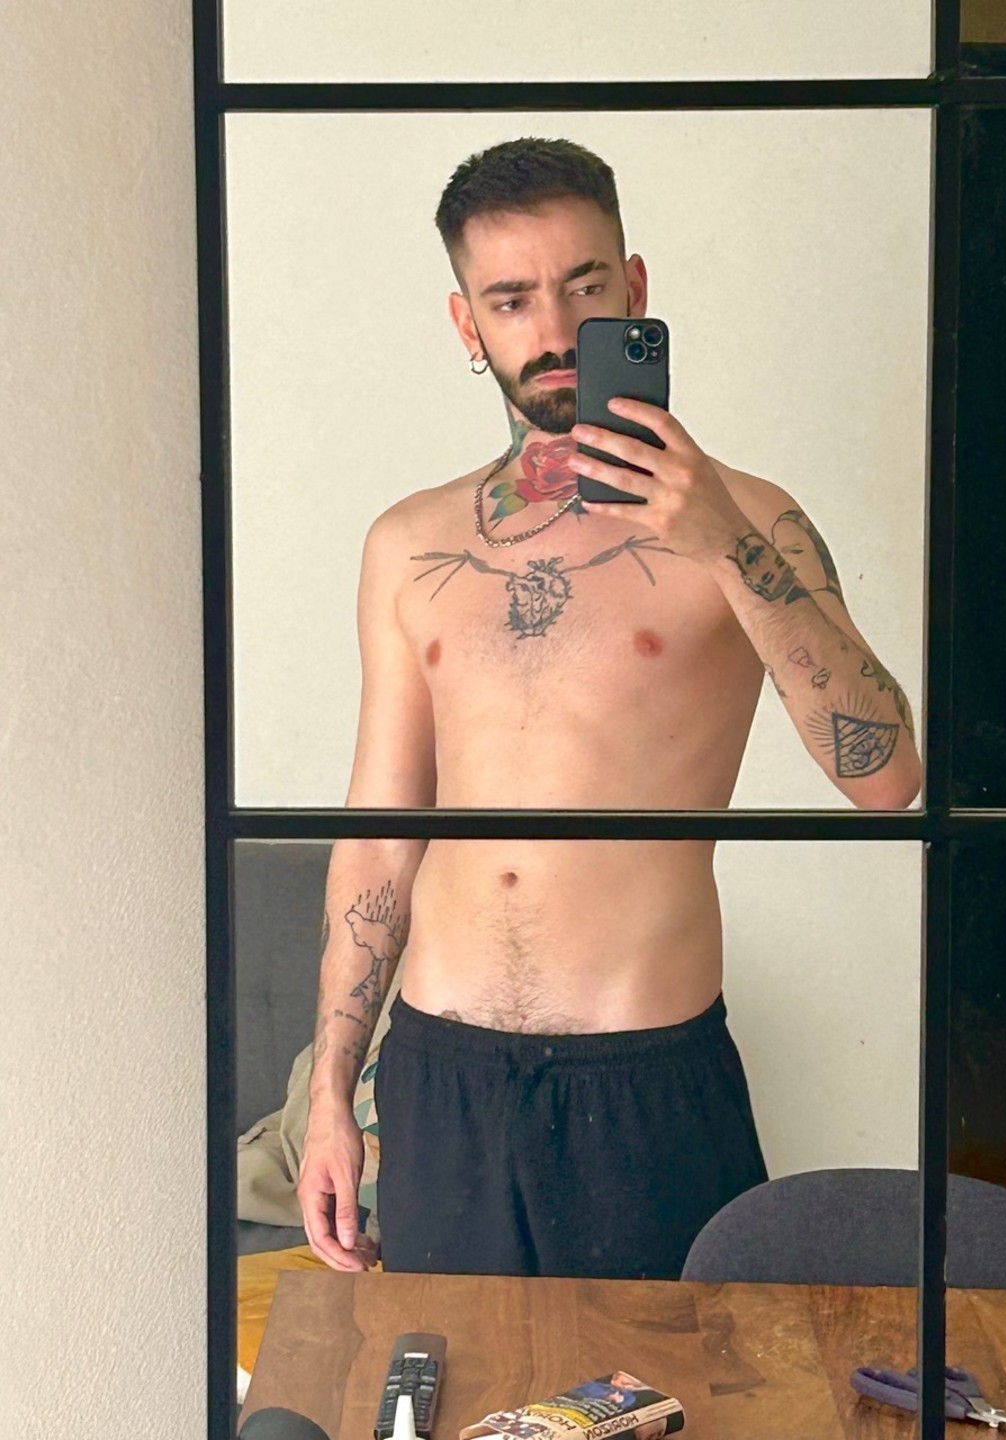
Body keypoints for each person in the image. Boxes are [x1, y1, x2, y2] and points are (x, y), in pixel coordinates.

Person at [296, 136, 923, 1280]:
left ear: (633, 290)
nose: (550, 328)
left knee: (672, 1379)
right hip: (439, 1081)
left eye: (582, 287)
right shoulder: (409, 543)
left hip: (645, 1078)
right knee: (449, 1375)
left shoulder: (752, 519)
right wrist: (332, 1090)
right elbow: (379, 834)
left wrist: (721, 541)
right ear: (467, 324)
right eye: (511, 299)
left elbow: (887, 778)